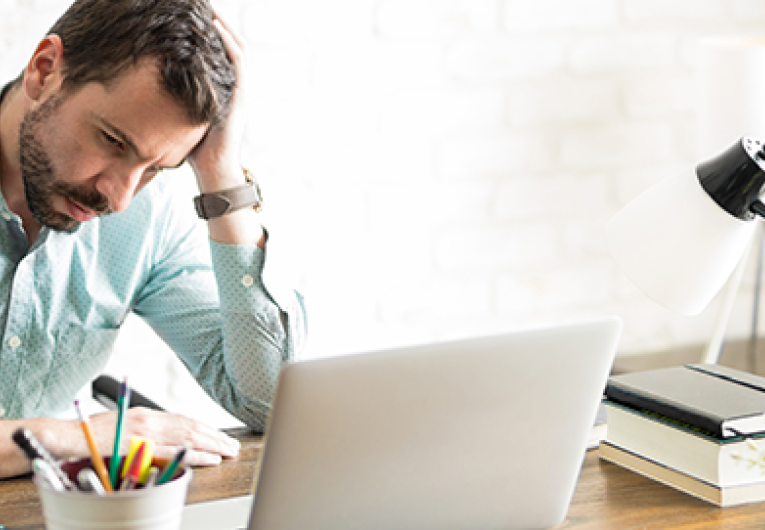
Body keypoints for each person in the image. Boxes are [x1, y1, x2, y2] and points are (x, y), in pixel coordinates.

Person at [0, 0, 307, 479]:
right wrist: (73, 437)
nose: (120, 199)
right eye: (113, 141)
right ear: (44, 71)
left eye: (156, 169)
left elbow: (271, 401)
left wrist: (221, 175)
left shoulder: (148, 217)